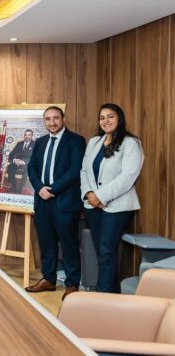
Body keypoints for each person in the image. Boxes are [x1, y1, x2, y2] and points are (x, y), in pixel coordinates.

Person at [81, 103, 144, 293]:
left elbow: (128, 177)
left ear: (119, 119)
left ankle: (103, 297)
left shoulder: (131, 143)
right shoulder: (94, 142)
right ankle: (113, 295)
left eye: (110, 116)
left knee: (107, 252)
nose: (105, 121)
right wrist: (89, 194)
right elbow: (84, 171)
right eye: (102, 117)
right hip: (93, 206)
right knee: (102, 253)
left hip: (117, 207)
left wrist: (101, 196)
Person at [26, 106, 86, 300]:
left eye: (56, 118)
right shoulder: (40, 142)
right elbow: (32, 168)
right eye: (48, 119)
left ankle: (72, 284)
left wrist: (52, 189)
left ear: (63, 119)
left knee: (69, 244)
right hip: (42, 201)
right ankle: (49, 279)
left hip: (65, 201)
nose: (52, 122)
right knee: (47, 243)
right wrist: (39, 188)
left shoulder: (76, 141)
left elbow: (75, 170)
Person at [7, 129, 35, 193]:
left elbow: (35, 157)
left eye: (29, 135)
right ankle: (13, 187)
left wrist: (24, 162)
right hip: (17, 162)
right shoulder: (19, 143)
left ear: (32, 136)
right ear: (24, 135)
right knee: (10, 167)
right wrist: (15, 160)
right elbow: (11, 154)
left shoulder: (35, 144)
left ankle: (19, 189)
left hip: (27, 163)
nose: (27, 136)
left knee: (27, 170)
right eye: (25, 135)